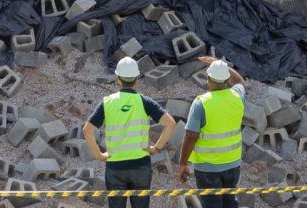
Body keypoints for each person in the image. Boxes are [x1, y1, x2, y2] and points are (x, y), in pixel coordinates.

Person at [82, 56, 177, 208]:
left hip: (115, 168)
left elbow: (87, 130)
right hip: (140, 167)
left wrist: (99, 155)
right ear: (137, 78)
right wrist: (156, 148)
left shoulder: (107, 103)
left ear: (118, 78)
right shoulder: (144, 101)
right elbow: (171, 124)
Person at [177, 57, 246, 208]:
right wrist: (221, 65)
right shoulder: (237, 97)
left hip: (207, 168)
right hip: (232, 164)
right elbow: (240, 82)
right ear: (227, 79)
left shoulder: (201, 103)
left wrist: (183, 163)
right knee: (230, 202)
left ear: (208, 78)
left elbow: (190, 136)